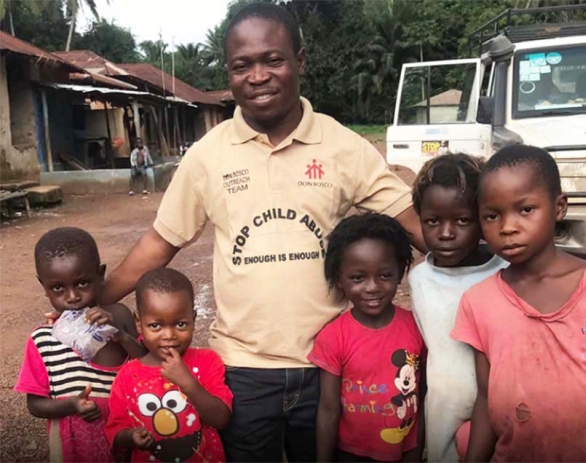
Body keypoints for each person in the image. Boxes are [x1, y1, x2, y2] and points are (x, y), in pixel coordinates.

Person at [99, 3, 425, 462]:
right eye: (242, 65)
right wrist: (99, 297)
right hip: (242, 370)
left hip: (326, 365)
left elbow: (412, 220)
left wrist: (483, 269)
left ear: (301, 60)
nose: (258, 76)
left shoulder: (343, 147)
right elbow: (161, 241)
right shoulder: (207, 156)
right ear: (229, 73)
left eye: (273, 59)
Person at [451, 145, 586, 462]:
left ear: (559, 208)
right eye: (492, 215)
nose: (508, 227)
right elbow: (488, 396)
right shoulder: (478, 302)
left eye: (526, 209)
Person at [408, 154, 507, 462]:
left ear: (482, 217)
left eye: (462, 220)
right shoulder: (419, 279)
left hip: (502, 413)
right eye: (432, 221)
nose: (446, 233)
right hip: (443, 411)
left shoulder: (506, 272)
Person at [15, 227, 143, 462]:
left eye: (83, 283)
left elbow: (148, 366)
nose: (72, 296)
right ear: (43, 285)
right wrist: (72, 405)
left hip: (126, 440)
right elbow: (35, 404)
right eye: (58, 288)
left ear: (100, 275)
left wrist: (121, 336)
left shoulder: (119, 318)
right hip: (72, 446)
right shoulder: (44, 340)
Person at [310, 213, 424, 462]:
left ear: (400, 272)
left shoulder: (417, 327)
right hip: (350, 455)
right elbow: (328, 410)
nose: (372, 287)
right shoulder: (333, 337)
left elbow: (420, 398)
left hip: (404, 451)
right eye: (358, 278)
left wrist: (416, 452)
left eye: (384, 275)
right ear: (339, 278)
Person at [105, 268, 233, 462]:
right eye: (155, 325)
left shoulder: (208, 362)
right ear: (139, 323)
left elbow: (221, 419)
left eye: (180, 324)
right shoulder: (127, 376)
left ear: (193, 319)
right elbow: (115, 429)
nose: (169, 336)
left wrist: (188, 383)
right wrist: (130, 437)